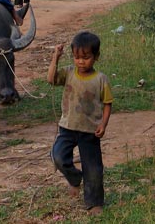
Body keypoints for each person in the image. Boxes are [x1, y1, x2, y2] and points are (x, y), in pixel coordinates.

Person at [47, 31, 113, 216]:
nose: (81, 62)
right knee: (57, 156)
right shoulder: (68, 72)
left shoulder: (101, 79)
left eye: (86, 57)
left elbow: (108, 103)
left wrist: (104, 124)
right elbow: (50, 79)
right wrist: (55, 58)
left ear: (96, 57)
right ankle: (74, 178)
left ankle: (94, 202)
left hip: (89, 130)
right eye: (77, 57)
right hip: (67, 127)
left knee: (93, 168)